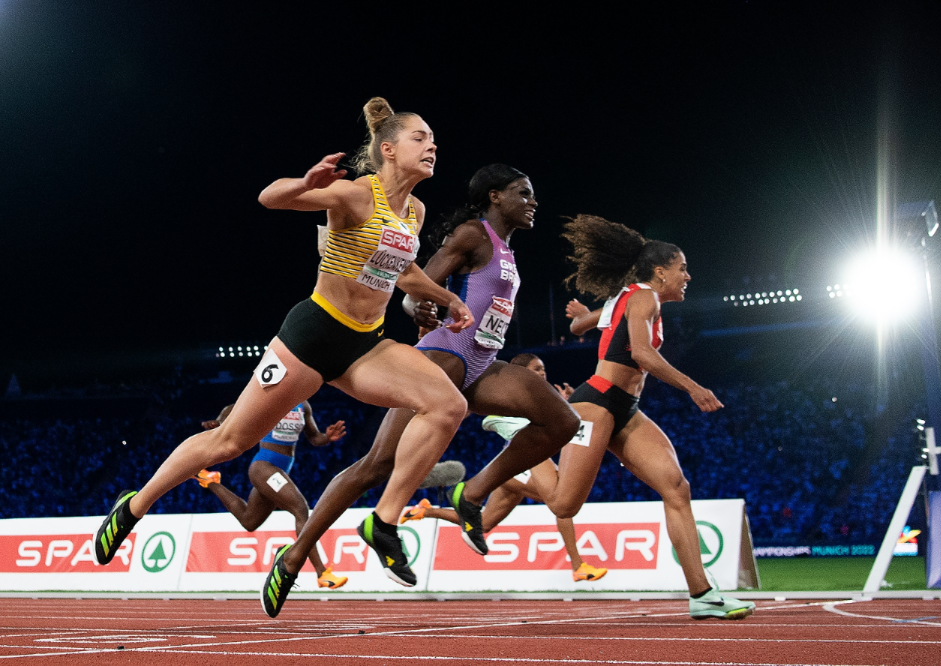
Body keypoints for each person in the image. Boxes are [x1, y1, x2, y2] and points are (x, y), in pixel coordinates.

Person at [94, 97, 475, 618]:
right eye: (420, 137)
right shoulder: (355, 193)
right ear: (388, 149)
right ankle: (133, 507)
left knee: (448, 405)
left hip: (366, 344)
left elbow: (403, 270)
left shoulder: (415, 211)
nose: (432, 145)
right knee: (230, 442)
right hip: (313, 335)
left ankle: (384, 522)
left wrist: (449, 297)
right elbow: (269, 198)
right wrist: (305, 183)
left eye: (433, 139)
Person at [258, 164, 580, 617]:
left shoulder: (507, 248)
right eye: (523, 193)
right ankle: (294, 558)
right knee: (375, 466)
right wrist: (419, 308)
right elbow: (414, 285)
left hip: (483, 364)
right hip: (442, 358)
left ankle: (470, 495)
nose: (533, 202)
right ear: (494, 196)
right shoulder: (474, 234)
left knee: (562, 421)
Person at [546, 214, 755, 620]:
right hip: (596, 402)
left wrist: (583, 314)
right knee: (564, 504)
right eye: (682, 269)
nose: (687, 277)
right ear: (660, 271)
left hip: (625, 409)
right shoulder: (645, 298)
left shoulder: (623, 299)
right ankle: (501, 478)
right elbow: (641, 353)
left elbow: (578, 326)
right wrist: (692, 387)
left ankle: (703, 594)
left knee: (676, 487)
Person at [402, 352, 608, 582]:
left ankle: (426, 510)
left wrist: (568, 403)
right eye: (536, 369)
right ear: (519, 373)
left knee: (484, 523)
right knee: (561, 498)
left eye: (543, 369)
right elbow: (464, 406)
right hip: (528, 457)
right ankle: (578, 566)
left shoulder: (542, 398)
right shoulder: (508, 394)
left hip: (513, 468)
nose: (543, 373)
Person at [192, 401, 349, 589]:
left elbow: (314, 437)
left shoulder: (303, 406)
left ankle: (210, 481)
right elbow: (235, 407)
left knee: (249, 520)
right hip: (263, 467)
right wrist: (219, 422)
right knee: (300, 509)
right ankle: (322, 573)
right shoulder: (272, 397)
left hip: (280, 469)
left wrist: (327, 437)